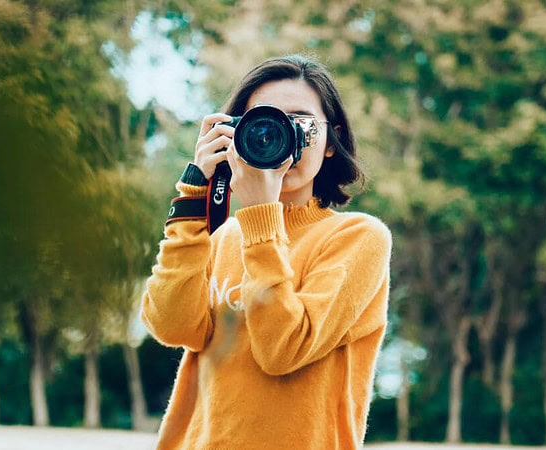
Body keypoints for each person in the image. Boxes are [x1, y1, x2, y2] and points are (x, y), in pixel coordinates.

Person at [141, 54, 392, 449]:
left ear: (331, 141)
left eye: (300, 123)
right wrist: (194, 194)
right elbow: (171, 326)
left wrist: (261, 216)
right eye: (262, 123)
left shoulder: (358, 238)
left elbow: (282, 350)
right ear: (234, 134)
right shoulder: (222, 236)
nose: (280, 137)